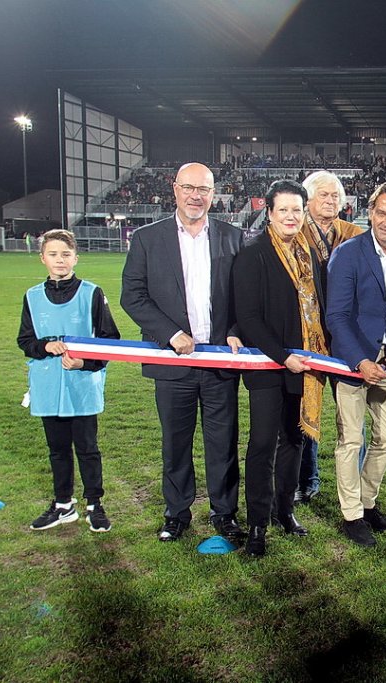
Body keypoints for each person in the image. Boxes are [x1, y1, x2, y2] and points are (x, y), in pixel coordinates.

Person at [121, 162, 245, 543]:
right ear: (174, 189)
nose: (196, 195)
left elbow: (246, 296)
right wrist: (170, 333)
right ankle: (177, 512)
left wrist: (237, 331)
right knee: (175, 444)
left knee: (222, 443)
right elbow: (133, 296)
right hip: (172, 362)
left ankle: (225, 513)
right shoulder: (147, 238)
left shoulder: (233, 236)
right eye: (189, 187)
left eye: (204, 189)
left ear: (213, 193)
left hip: (219, 364)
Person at [233, 180, 328, 557]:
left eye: (296, 210)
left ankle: (284, 511)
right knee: (262, 444)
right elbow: (249, 318)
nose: (291, 216)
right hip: (268, 367)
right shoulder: (254, 254)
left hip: (303, 366)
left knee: (294, 440)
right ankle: (257, 523)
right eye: (283, 209)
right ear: (269, 213)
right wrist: (281, 356)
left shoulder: (311, 254)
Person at [325, 182, 386, 547]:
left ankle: (367, 503)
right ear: (369, 213)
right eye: (381, 213)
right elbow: (337, 316)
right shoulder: (348, 254)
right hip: (353, 363)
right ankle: (351, 515)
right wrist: (360, 360)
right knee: (351, 439)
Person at [17, 229, 120, 532]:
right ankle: (63, 504)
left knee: (87, 447)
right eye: (53, 254)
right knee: (57, 448)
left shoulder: (92, 293)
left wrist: (84, 363)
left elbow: (109, 340)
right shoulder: (32, 296)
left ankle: (94, 504)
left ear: (76, 257)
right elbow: (25, 340)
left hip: (81, 384)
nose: (59, 260)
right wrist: (45, 346)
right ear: (42, 259)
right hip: (48, 385)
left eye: (65, 254)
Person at [295, 170, 366, 504]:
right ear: (307, 200)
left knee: (352, 414)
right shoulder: (294, 233)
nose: (331, 201)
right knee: (305, 406)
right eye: (324, 195)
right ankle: (307, 478)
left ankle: (356, 481)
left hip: (347, 338)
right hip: (305, 337)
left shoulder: (355, 235)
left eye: (336, 196)